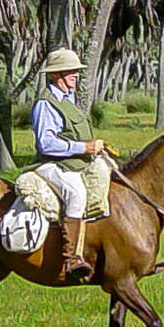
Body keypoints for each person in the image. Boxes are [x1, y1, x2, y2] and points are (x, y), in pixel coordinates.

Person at [30, 48, 107, 283]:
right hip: (51, 164)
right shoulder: (46, 103)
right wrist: (84, 148)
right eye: (70, 71)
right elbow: (46, 143)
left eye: (76, 71)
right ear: (56, 75)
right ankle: (71, 258)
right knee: (76, 193)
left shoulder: (69, 99)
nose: (75, 75)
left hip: (73, 162)